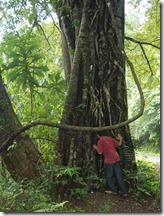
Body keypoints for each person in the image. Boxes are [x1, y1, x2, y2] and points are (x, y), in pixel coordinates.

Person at [93, 131, 127, 196]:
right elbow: (119, 144)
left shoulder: (100, 140)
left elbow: (100, 152)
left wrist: (95, 147)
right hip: (116, 157)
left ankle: (114, 190)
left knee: (108, 176)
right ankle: (124, 192)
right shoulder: (109, 138)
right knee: (118, 175)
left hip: (109, 159)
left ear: (98, 135)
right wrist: (121, 139)